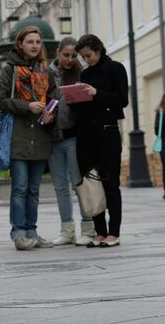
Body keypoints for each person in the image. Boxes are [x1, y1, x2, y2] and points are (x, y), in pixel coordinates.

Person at [0, 25, 59, 251]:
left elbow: (55, 99)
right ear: (20, 44)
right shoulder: (10, 69)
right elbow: (0, 99)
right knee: (20, 187)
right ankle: (18, 233)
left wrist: (51, 114)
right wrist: (26, 106)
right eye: (30, 42)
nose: (34, 46)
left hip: (40, 136)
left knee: (34, 189)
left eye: (37, 42)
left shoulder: (45, 71)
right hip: (18, 137)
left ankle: (32, 231)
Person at [68, 34, 128, 248]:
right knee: (91, 184)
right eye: (83, 57)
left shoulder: (116, 69)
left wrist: (97, 93)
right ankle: (99, 231)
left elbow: (122, 100)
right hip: (86, 135)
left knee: (110, 182)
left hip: (107, 132)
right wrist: (73, 99)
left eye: (89, 55)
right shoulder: (85, 74)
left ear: (99, 50)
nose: (87, 60)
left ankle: (114, 232)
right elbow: (82, 108)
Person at [48, 37, 95, 245]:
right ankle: (67, 230)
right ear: (58, 52)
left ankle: (88, 226)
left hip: (74, 135)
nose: (69, 59)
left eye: (73, 56)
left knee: (79, 183)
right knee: (60, 186)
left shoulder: (80, 73)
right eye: (66, 55)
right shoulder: (47, 74)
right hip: (53, 136)